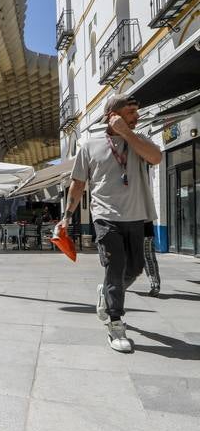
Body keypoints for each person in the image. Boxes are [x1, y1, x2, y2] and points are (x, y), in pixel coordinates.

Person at [58, 94, 161, 353]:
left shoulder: (139, 141)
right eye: (130, 112)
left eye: (137, 112)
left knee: (135, 268)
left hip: (136, 215)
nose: (136, 117)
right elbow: (78, 184)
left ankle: (106, 292)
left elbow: (156, 157)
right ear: (111, 115)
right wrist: (67, 216)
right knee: (116, 266)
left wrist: (127, 132)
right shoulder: (90, 146)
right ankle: (115, 322)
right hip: (105, 217)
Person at [143, 220, 161, 296]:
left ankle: (155, 285)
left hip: (142, 233)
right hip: (148, 232)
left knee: (148, 259)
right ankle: (155, 284)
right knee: (150, 259)